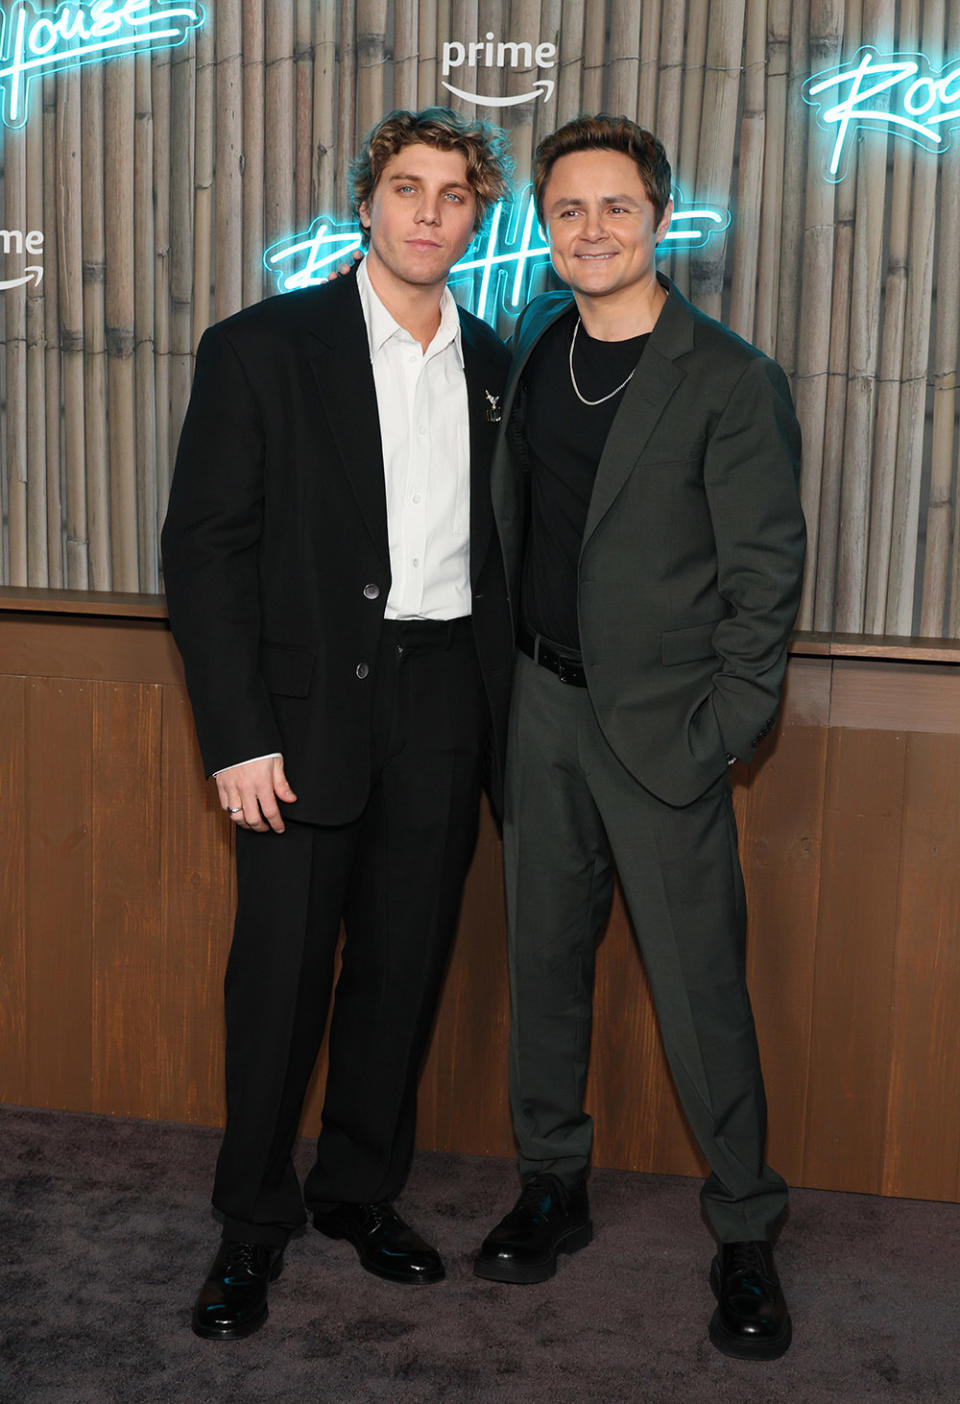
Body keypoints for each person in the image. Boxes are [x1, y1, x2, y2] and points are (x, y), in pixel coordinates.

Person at [161, 106, 513, 1340]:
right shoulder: (262, 346)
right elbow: (205, 554)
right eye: (406, 187)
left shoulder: (503, 364)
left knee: (401, 971)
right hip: (300, 715)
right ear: (365, 202)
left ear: (479, 216)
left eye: (455, 193)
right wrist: (237, 733)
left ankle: (357, 1195)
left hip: (443, 702)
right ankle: (248, 1227)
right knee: (280, 979)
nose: (428, 211)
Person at [473, 115, 806, 1362]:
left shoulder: (727, 376)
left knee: (702, 991)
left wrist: (721, 732)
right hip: (540, 714)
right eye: (569, 211)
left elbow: (765, 579)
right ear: (544, 229)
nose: (593, 230)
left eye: (618, 207)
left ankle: (747, 1233)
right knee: (544, 972)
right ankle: (551, 1185)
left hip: (667, 735)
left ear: (661, 219)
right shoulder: (535, 347)